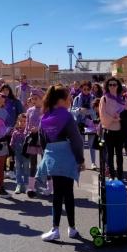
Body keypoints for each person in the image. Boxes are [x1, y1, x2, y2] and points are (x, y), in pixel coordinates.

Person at [37, 85, 85, 241]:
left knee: (57, 193)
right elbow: (76, 139)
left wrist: (47, 156)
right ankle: (72, 228)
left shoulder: (44, 116)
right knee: (68, 193)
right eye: (68, 97)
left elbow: (42, 139)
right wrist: (80, 159)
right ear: (61, 100)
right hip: (67, 155)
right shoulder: (67, 116)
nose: (70, 100)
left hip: (52, 156)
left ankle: (55, 229)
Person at [100, 77, 127, 182]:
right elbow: (102, 115)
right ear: (107, 86)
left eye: (114, 84)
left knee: (120, 156)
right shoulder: (104, 99)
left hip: (120, 131)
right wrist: (113, 119)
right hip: (109, 131)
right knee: (110, 155)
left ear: (118, 86)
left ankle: (120, 176)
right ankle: (112, 176)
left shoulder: (123, 98)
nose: (112, 86)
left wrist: (120, 118)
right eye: (110, 84)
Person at [25, 89, 44, 198]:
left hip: (43, 140)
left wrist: (39, 129)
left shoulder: (46, 110)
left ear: (42, 99)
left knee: (45, 163)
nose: (33, 100)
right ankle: (31, 187)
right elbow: (27, 125)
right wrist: (27, 131)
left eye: (36, 98)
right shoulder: (29, 110)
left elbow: (48, 124)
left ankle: (50, 186)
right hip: (32, 139)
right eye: (32, 98)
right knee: (32, 164)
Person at [10, 113, 29, 194]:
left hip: (26, 155)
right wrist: (12, 154)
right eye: (21, 121)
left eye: (25, 121)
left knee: (26, 170)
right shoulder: (15, 133)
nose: (22, 123)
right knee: (18, 170)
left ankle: (26, 185)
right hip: (17, 155)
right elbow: (12, 144)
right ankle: (18, 184)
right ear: (18, 122)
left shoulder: (28, 133)